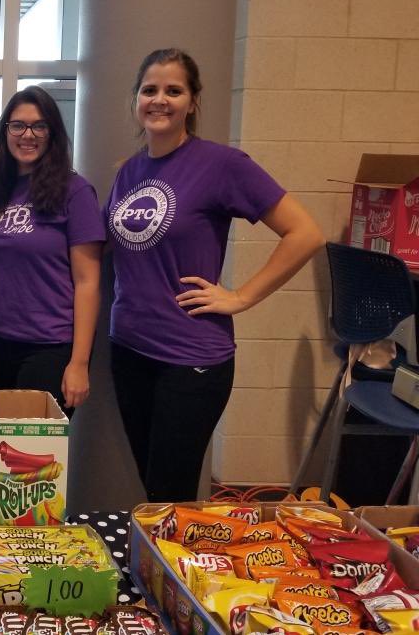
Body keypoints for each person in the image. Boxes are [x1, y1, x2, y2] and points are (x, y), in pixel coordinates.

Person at [106, 48, 325, 502]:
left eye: (174, 90)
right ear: (136, 100)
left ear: (193, 101)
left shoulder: (222, 165)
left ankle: (175, 570)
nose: (160, 99)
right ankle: (160, 569)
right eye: (150, 90)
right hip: (129, 350)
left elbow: (304, 233)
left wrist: (241, 297)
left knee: (173, 491)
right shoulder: (129, 171)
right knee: (153, 488)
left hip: (190, 359)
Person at [0, 86, 105, 417]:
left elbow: (88, 283)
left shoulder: (74, 192)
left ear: (52, 133)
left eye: (39, 126)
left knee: (32, 464)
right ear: (5, 132)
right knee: (1, 458)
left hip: (49, 350)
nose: (27, 134)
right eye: (17, 125)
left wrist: (79, 362)